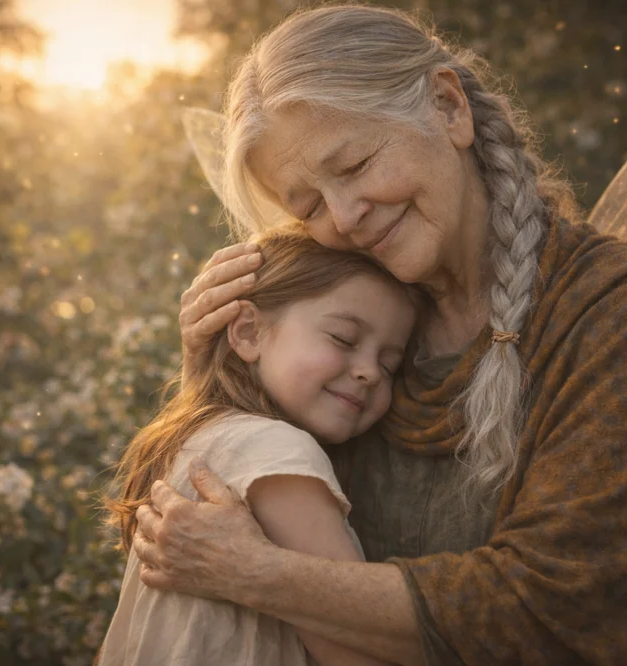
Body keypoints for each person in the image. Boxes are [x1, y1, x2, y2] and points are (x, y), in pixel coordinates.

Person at [131, 6, 627, 666]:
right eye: (306, 205)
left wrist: (259, 574)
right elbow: (215, 515)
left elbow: (559, 616)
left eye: (356, 165)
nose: (345, 215)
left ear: (449, 108)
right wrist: (217, 374)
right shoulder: (358, 326)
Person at [98, 230, 418, 666]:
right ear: (248, 331)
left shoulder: (198, 439)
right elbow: (356, 650)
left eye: (389, 364)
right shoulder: (276, 452)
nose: (370, 373)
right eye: (343, 338)